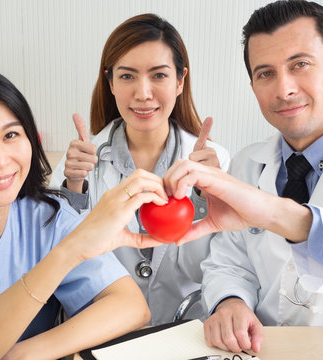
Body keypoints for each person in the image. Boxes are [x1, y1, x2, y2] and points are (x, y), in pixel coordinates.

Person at [0, 65, 172, 359]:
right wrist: (67, 253)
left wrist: (24, 355)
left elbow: (131, 307)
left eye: (11, 135)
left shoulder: (45, 216)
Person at [165, 0, 323, 354]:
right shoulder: (249, 163)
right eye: (265, 73)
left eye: (300, 65)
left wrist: (273, 212)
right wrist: (230, 302)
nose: (283, 89)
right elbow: (228, 261)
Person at [49, 13, 230, 325]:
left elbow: (223, 265)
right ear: (110, 83)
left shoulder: (216, 162)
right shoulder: (78, 165)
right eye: (127, 76)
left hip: (188, 335)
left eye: (158, 75)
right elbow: (57, 263)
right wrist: (74, 188)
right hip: (104, 335)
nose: (143, 93)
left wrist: (204, 195)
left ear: (180, 80)